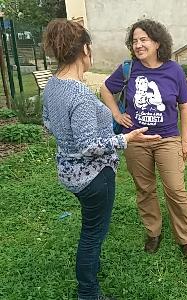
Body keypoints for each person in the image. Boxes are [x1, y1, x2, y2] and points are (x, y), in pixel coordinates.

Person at [42, 19, 160, 300]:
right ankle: (89, 294)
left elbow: (48, 124)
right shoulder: (80, 95)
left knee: (90, 228)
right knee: (92, 236)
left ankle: (89, 280)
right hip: (93, 177)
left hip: (69, 174)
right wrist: (126, 139)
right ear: (84, 49)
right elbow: (89, 146)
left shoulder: (53, 85)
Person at [100, 19, 187, 258]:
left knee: (175, 189)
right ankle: (153, 232)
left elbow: (185, 107)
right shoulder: (128, 69)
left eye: (144, 40)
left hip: (167, 139)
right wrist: (117, 114)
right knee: (144, 189)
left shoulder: (174, 70)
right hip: (136, 140)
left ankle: (185, 237)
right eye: (134, 41)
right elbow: (105, 89)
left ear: (157, 42)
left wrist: (185, 141)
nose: (138, 45)